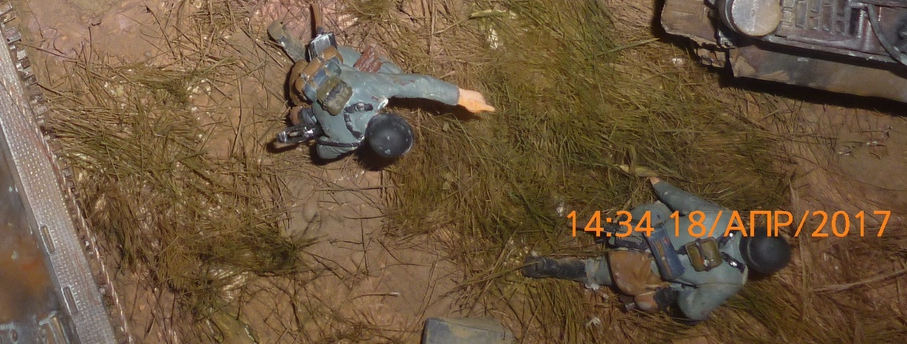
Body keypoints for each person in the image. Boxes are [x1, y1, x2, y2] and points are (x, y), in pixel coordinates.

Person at [521, 176, 792, 321]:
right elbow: (692, 310)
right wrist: (683, 290)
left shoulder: (723, 217)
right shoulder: (732, 280)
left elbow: (680, 199)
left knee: (658, 211)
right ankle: (549, 267)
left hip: (637, 231)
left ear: (757, 232)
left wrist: (657, 182)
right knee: (594, 272)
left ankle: (595, 226)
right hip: (638, 271)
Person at [268, 17, 492, 162]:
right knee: (308, 115)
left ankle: (293, 45)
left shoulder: (376, 88)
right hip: (304, 93)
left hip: (329, 61)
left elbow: (421, 84)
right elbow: (322, 152)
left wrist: (461, 96)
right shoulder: (349, 141)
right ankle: (291, 47)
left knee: (394, 74)